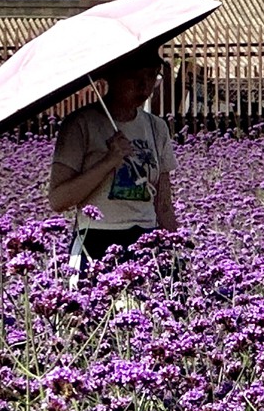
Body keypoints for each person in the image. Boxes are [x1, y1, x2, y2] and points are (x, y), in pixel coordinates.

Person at [49, 50, 177, 268]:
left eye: (151, 76)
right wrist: (109, 161)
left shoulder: (156, 127)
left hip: (146, 240)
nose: (144, 86)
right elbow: (58, 199)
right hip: (96, 240)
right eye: (134, 76)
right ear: (112, 76)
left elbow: (163, 203)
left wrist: (176, 251)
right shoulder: (81, 124)